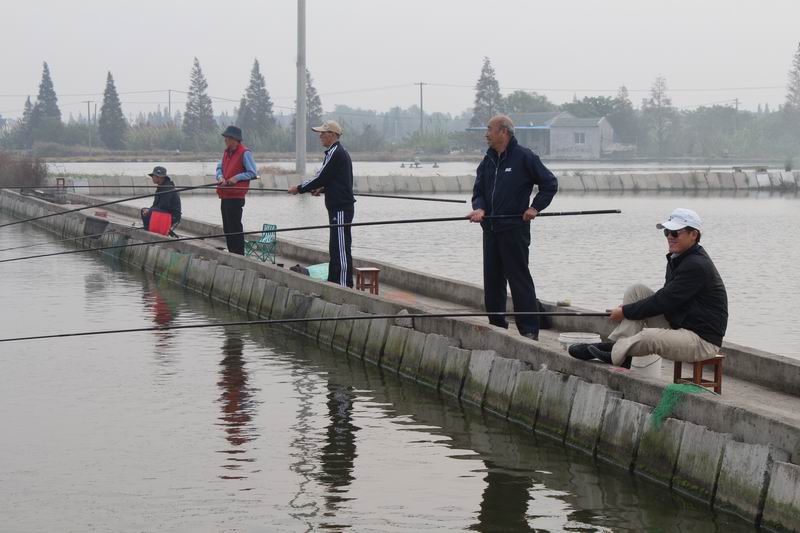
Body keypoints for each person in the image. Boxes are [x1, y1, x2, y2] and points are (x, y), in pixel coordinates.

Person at [569, 208, 728, 367]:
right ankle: (620, 351)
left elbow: (663, 301)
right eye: (667, 232)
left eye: (675, 233)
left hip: (701, 340)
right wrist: (629, 309)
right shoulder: (678, 258)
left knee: (649, 337)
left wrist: (625, 311)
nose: (669, 237)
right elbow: (665, 299)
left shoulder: (696, 265)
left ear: (693, 234)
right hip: (679, 325)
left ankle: (614, 352)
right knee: (636, 291)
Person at [468, 115, 558, 341]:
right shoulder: (487, 160)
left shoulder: (525, 157)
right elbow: (478, 192)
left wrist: (535, 208)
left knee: (519, 279)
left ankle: (529, 330)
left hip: (514, 229)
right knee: (493, 280)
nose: (486, 134)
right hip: (490, 229)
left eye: (490, 129)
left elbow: (549, 183)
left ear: (503, 132)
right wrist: (479, 208)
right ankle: (497, 324)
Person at [288, 120, 355, 288]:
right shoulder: (335, 152)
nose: (320, 136)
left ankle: (344, 285)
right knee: (335, 246)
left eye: (322, 133)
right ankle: (335, 282)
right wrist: (323, 189)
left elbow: (321, 177)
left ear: (332, 135)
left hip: (341, 207)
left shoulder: (336, 152)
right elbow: (334, 179)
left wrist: (299, 188)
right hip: (336, 207)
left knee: (341, 247)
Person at [216, 125, 257, 255]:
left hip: (236, 195)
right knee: (227, 228)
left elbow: (252, 172)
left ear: (235, 139)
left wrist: (236, 178)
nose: (225, 140)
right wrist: (220, 177)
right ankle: (232, 252)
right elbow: (219, 168)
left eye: (227, 138)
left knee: (235, 227)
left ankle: (238, 254)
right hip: (225, 194)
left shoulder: (245, 153)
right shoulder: (226, 152)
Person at [140, 166, 181, 236]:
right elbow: (155, 205)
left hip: (172, 216)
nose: (152, 178)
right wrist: (149, 210)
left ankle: (150, 231)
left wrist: (150, 210)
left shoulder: (168, 188)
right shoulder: (160, 187)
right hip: (164, 212)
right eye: (153, 176)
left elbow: (164, 206)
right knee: (143, 210)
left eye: (154, 176)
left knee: (150, 211)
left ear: (161, 177)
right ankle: (147, 229)